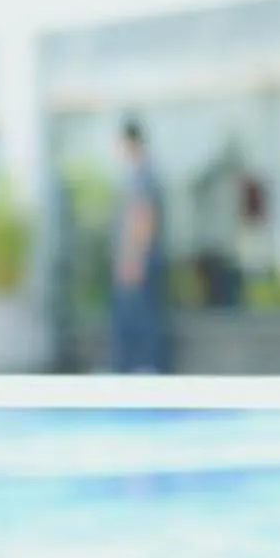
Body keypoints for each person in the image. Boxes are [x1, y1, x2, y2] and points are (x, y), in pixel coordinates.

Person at [108, 119, 169, 375]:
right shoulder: (136, 173)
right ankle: (132, 367)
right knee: (131, 315)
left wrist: (134, 258)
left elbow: (144, 217)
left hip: (139, 259)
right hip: (135, 258)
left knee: (142, 316)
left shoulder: (143, 174)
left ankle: (146, 367)